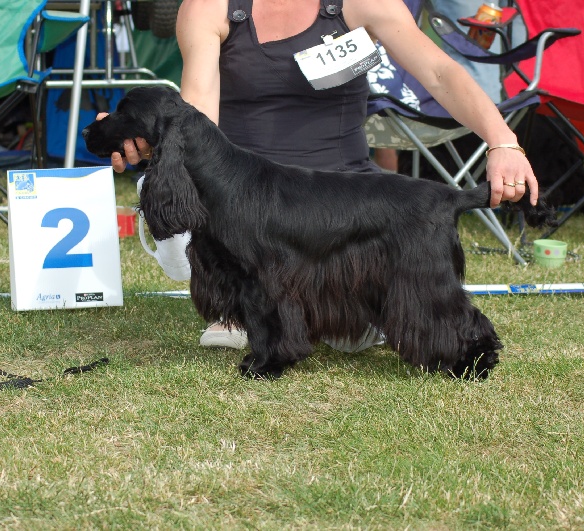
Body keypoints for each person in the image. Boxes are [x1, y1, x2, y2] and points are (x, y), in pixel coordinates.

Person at [99, 0, 538, 350]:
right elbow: (200, 118)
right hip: (250, 209)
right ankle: (251, 310)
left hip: (344, 209)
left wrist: (502, 141)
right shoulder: (209, 7)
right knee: (178, 239)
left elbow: (440, 74)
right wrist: (147, 139)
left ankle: (348, 308)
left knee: (355, 335)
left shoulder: (361, 2)